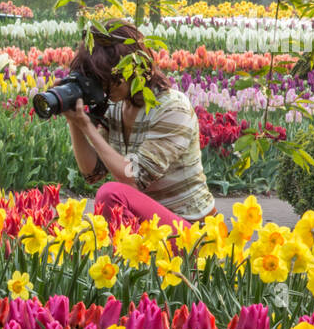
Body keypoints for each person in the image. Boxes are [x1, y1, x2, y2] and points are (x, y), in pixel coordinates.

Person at [61, 19, 216, 229]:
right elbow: (93, 173)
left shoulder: (172, 108)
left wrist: (88, 127)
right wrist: (74, 122)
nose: (102, 86)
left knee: (111, 194)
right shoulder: (116, 107)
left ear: (133, 69)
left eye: (107, 77)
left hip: (191, 229)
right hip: (150, 224)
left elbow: (135, 178)